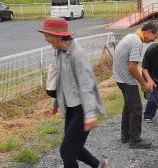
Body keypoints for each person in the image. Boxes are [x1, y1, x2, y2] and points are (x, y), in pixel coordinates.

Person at [36, 17, 109, 168]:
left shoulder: (78, 54)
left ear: (58, 36)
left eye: (47, 36)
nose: (46, 40)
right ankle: (100, 165)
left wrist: (89, 115)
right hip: (70, 106)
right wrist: (55, 102)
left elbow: (86, 85)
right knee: (73, 146)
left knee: (67, 151)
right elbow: (61, 80)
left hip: (83, 109)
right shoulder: (59, 52)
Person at [113, 22, 158, 149]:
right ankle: (135, 140)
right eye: (155, 36)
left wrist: (142, 81)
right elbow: (132, 67)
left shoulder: (131, 37)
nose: (154, 39)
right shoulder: (137, 42)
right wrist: (144, 83)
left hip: (119, 77)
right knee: (136, 108)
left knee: (129, 106)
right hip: (126, 78)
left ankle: (125, 136)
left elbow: (133, 65)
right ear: (149, 31)